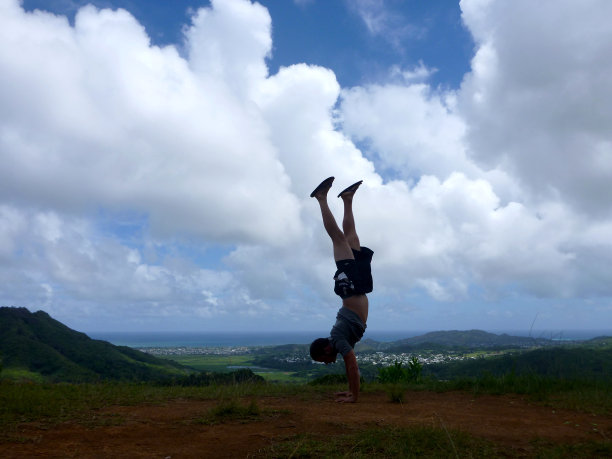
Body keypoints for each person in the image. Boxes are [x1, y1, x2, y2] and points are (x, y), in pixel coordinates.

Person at [309, 176, 374, 403]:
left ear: (325, 351)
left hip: (350, 288)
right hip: (358, 288)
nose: (327, 363)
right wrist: (350, 391)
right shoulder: (338, 339)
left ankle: (321, 198)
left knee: (338, 239)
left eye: (323, 360)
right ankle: (347, 199)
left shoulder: (337, 340)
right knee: (352, 239)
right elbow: (350, 368)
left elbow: (352, 364)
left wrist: (353, 397)